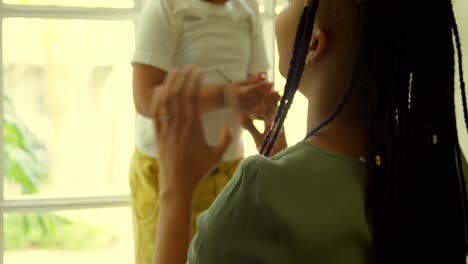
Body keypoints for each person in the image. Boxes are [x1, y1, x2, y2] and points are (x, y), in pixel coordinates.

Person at [150, 0, 468, 263]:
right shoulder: (447, 168)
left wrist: (174, 191)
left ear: (313, 44)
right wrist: (289, 166)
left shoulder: (259, 196)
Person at [129, 0, 277, 263]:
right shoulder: (166, 7)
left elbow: (255, 80)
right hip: (166, 172)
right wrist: (224, 95)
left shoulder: (248, 8)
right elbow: (144, 97)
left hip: (228, 169)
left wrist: (256, 101)